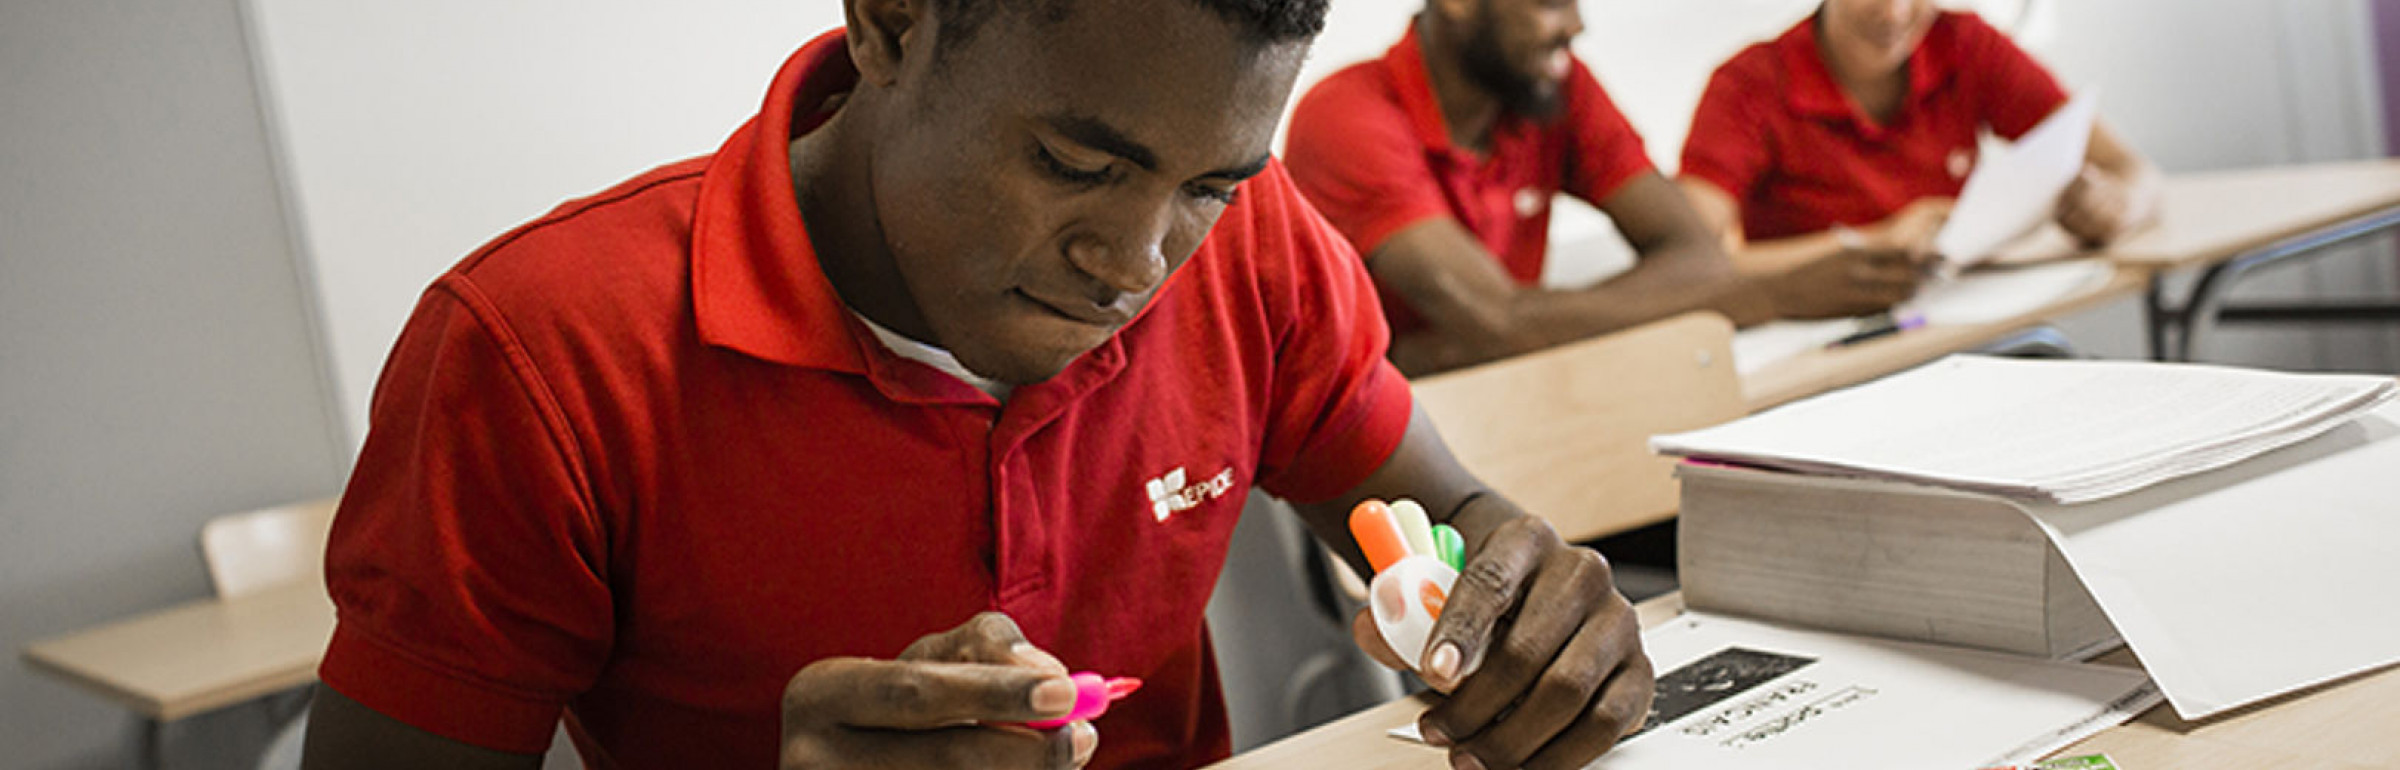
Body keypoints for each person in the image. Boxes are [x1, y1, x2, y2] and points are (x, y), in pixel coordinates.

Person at [297, 1, 1654, 769]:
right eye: (1076, 165)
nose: (1138, 263)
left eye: (1209, 183)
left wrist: (1540, 614)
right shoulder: (543, 353)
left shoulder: (1257, 248)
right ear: (894, 20)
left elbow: (1450, 521)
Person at [1284, 0, 1830, 377]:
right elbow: (1502, 325)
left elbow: (1700, 256)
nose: (1576, 25)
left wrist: (1460, 346)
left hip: (1507, 401)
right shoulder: (1345, 116)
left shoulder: (1555, 88)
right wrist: (1764, 298)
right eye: (1549, 2)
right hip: (1367, 463)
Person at [1678, 0, 2163, 317]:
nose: (1894, 14)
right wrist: (1875, 243)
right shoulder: (1748, 87)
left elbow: (2133, 170)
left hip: (1962, 328)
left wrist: (2118, 204)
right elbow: (1687, 265)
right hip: (1826, 354)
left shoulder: (1965, 44)